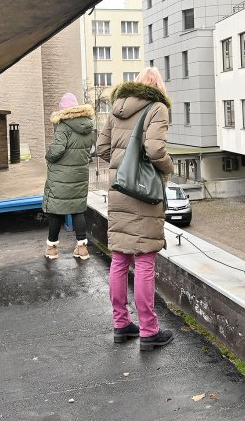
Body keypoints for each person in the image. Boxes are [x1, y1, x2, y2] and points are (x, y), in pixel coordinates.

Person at [96, 67, 174, 351]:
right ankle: (149, 331)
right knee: (143, 259)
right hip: (143, 192)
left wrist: (121, 166)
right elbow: (155, 151)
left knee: (119, 258)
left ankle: (121, 325)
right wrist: (168, 167)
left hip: (118, 188)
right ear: (159, 87)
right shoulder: (157, 108)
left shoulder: (117, 107)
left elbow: (102, 147)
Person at [43, 93, 95, 260]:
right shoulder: (88, 126)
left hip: (61, 176)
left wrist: (48, 156)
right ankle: (82, 249)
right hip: (79, 175)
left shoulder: (63, 126)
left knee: (55, 211)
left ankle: (52, 249)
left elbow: (57, 150)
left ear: (63, 110)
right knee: (77, 210)